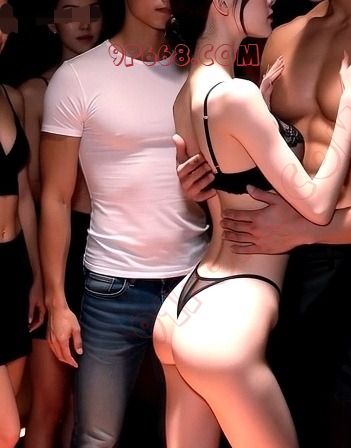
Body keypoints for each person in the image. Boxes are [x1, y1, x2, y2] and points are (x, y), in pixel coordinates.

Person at [152, 0, 351, 447]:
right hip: (231, 314)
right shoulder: (236, 95)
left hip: (185, 306)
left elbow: (229, 181)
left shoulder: (186, 94)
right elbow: (318, 208)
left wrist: (263, 115)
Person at [39, 0, 208, 446]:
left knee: (189, 436)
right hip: (112, 287)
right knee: (96, 437)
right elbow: (55, 197)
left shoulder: (198, 71)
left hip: (193, 282)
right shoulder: (78, 77)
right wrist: (57, 302)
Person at [19, 1, 103, 446]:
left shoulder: (117, 81)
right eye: (71, 13)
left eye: (93, 10)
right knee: (50, 403)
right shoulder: (36, 92)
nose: (84, 23)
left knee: (87, 404)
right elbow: (33, 188)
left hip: (109, 241)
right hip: (58, 240)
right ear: (52, 24)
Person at [0, 0, 44, 445]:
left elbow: (25, 197)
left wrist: (35, 277)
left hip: (12, 266)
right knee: (6, 428)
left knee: (17, 408)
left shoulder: (10, 97)